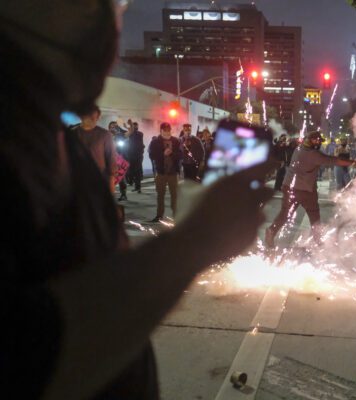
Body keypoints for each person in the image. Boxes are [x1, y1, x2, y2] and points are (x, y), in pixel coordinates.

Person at [0, 2, 273, 399]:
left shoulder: (50, 134)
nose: (113, 28)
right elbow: (25, 361)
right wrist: (196, 243)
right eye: (106, 5)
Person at [264, 131, 356, 248]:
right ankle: (318, 241)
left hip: (289, 186)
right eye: (317, 141)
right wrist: (354, 163)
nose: (319, 144)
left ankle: (271, 231)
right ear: (313, 142)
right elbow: (333, 160)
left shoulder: (298, 149)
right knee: (314, 215)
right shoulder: (314, 155)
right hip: (305, 190)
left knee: (285, 214)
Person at [75, 106, 117, 188]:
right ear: (81, 116)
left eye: (93, 116)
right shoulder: (72, 134)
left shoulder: (105, 135)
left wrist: (111, 188)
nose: (91, 118)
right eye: (88, 115)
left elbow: (111, 162)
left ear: (98, 117)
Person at [149, 122, 182, 222]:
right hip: (161, 172)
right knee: (160, 195)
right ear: (161, 130)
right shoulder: (155, 141)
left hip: (173, 172)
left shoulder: (176, 141)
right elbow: (152, 155)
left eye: (168, 130)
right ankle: (159, 215)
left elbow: (181, 155)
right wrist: (162, 153)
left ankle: (176, 214)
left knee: (174, 195)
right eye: (165, 130)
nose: (167, 132)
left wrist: (172, 153)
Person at [110, 121, 130, 201]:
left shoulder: (121, 135)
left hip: (119, 160)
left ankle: (123, 194)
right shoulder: (106, 135)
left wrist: (128, 126)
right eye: (112, 127)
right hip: (109, 159)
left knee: (121, 177)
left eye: (115, 126)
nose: (113, 128)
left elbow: (129, 133)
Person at [127, 121, 145, 193]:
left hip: (137, 156)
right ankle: (133, 183)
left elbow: (133, 133)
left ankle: (138, 187)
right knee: (131, 171)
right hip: (131, 155)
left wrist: (130, 126)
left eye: (136, 126)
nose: (135, 127)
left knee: (137, 171)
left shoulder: (140, 134)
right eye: (134, 126)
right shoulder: (130, 134)